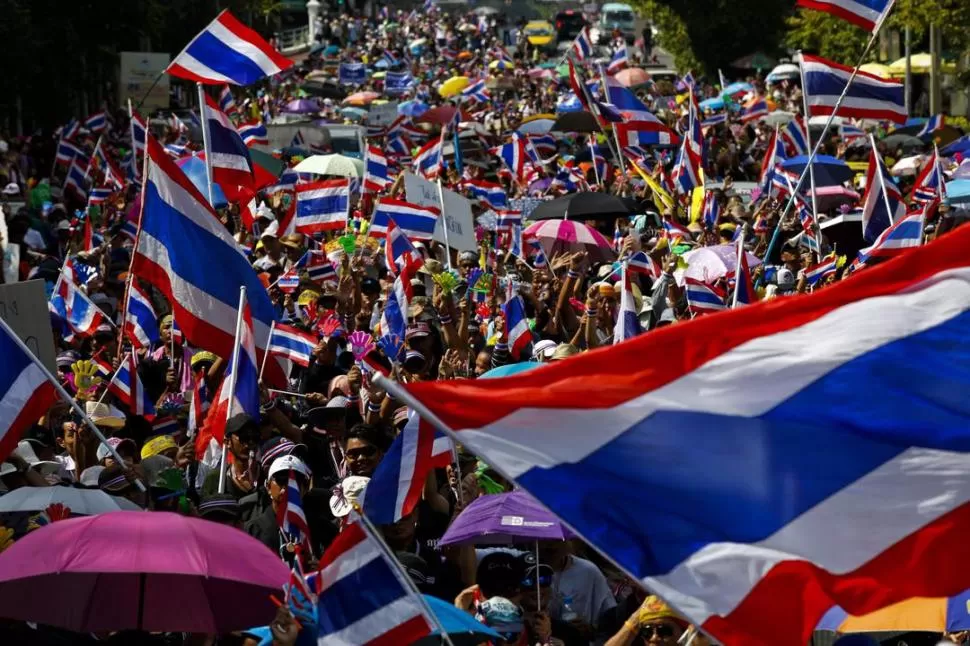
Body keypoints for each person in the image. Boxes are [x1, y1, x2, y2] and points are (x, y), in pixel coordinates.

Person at [201, 413, 261, 499]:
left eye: (255, 437)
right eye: (244, 437)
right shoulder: (216, 478)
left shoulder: (269, 476)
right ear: (227, 442)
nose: (250, 443)